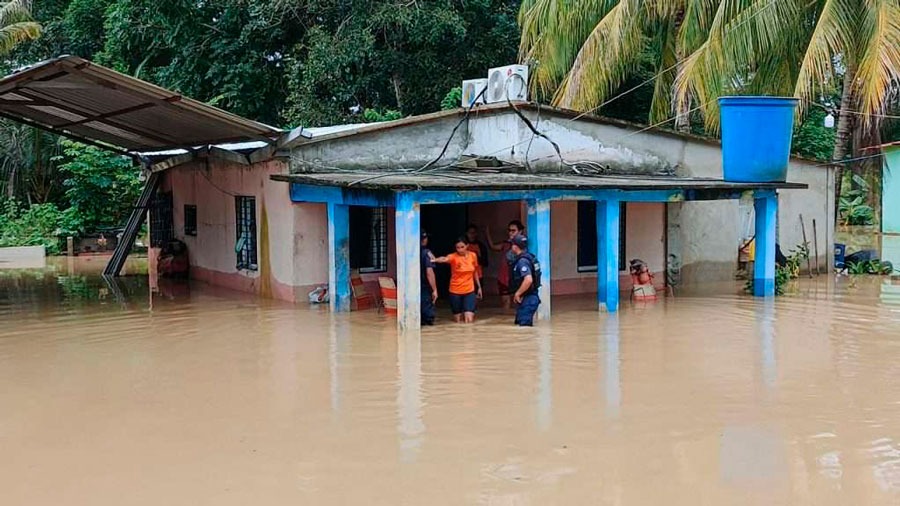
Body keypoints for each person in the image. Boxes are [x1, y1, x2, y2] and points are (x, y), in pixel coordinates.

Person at [433, 237, 482, 323]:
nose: (460, 250)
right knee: (457, 321)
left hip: (469, 291)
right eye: (457, 248)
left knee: (469, 320)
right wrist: (435, 260)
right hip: (455, 291)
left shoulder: (473, 255)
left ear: (467, 246)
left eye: (462, 247)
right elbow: (445, 259)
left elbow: (475, 272)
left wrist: (479, 287)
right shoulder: (453, 257)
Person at [486, 220, 525, 308]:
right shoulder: (505, 244)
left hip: (517, 277)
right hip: (503, 277)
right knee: (505, 303)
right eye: (509, 230)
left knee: (519, 302)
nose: (510, 233)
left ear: (520, 231)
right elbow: (492, 246)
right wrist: (487, 233)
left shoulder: (523, 245)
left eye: (513, 230)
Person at [509, 234, 541, 327]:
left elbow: (528, 280)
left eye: (512, 245)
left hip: (528, 299)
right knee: (521, 328)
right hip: (529, 298)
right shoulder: (530, 257)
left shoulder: (522, 261)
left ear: (515, 247)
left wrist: (518, 293)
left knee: (524, 329)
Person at [421, 232, 438, 326]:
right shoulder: (426, 253)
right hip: (424, 288)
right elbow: (429, 272)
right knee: (428, 318)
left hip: (411, 287)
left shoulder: (408, 251)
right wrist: (435, 289)